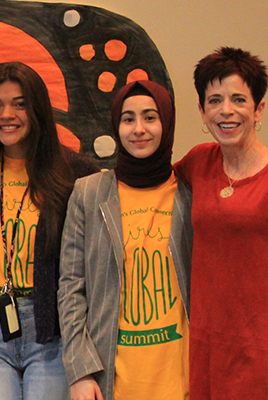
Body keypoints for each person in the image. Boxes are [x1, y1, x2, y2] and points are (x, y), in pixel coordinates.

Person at [0, 61, 98, 400]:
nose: (6, 114)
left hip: (51, 332)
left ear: (38, 108)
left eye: (19, 103)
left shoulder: (76, 173)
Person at [59, 80, 191, 400]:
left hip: (182, 380)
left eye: (150, 117)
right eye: (128, 118)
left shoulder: (190, 192)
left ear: (167, 123)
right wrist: (80, 370)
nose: (139, 129)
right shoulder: (89, 194)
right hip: (111, 383)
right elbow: (71, 288)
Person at [174, 47, 267, 399]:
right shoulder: (199, 162)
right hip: (206, 347)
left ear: (258, 108)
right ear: (201, 110)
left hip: (259, 351)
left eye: (238, 99)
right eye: (214, 100)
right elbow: (150, 186)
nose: (226, 111)